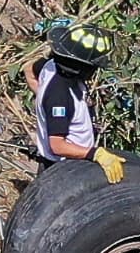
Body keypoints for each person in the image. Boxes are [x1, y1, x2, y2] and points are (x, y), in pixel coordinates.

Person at [26, 20, 113, 169]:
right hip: (62, 168)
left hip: (74, 161)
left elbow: (28, 69)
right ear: (82, 67)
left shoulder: (50, 65)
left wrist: (43, 98)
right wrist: (94, 154)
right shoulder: (60, 96)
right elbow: (57, 146)